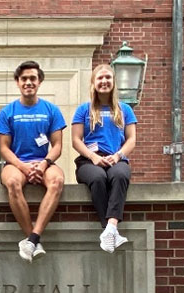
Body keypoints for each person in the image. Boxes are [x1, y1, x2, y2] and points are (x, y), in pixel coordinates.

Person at [0, 60, 65, 263]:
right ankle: (32, 239)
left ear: (39, 81)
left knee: (57, 181)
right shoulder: (7, 112)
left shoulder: (51, 110)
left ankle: (33, 238)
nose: (28, 82)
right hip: (16, 164)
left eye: (32, 78)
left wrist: (44, 164)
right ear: (17, 82)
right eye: (24, 78)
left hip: (44, 162)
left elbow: (58, 146)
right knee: (12, 183)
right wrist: (23, 167)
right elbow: (3, 148)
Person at [71, 65, 137, 253]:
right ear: (93, 83)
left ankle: (110, 228)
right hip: (89, 161)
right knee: (98, 178)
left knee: (120, 176)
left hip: (116, 158)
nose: (104, 81)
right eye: (100, 78)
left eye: (108, 77)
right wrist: (93, 157)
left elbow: (132, 139)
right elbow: (76, 140)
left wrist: (118, 156)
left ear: (114, 82)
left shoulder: (125, 110)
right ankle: (109, 231)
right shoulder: (83, 110)